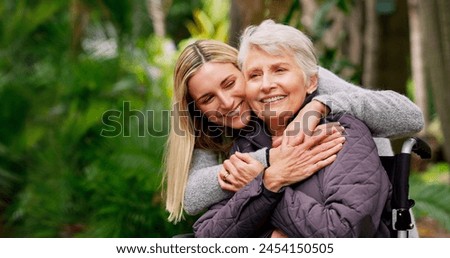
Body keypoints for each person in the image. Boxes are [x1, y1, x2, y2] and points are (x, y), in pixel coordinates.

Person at [163, 36, 423, 226]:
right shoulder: (224, 131)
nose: (227, 102)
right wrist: (271, 162)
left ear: (245, 69)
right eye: (208, 98)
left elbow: (410, 117)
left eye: (230, 83)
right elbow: (192, 195)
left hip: (375, 215)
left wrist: (321, 105)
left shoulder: (300, 79)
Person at [192, 20, 394, 237]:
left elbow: (342, 234)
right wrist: (268, 185)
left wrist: (264, 185)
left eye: (279, 70)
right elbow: (206, 238)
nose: (266, 84)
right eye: (254, 75)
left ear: (311, 82)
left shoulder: (342, 134)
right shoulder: (247, 145)